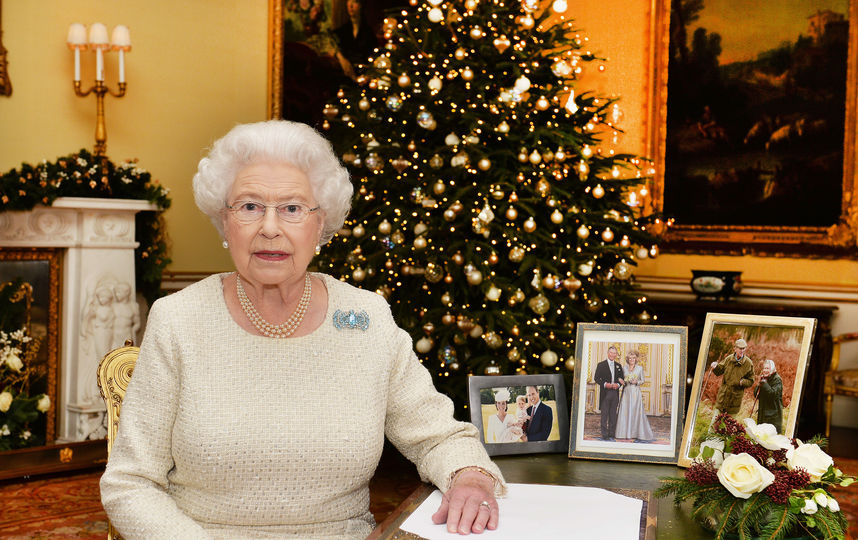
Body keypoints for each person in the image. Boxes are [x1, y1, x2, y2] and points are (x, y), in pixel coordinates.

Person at [100, 120, 505, 539]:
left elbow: (438, 436)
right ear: (225, 221)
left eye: (292, 208)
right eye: (250, 207)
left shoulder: (365, 318)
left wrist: (470, 477)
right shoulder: (178, 319)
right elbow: (130, 483)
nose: (269, 227)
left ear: (320, 224)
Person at [709, 338, 755, 431]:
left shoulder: (748, 363)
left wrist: (742, 382)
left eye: (744, 348)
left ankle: (725, 440)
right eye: (740, 348)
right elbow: (719, 371)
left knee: (729, 427)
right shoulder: (728, 359)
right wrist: (715, 366)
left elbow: (751, 380)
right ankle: (710, 438)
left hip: (735, 399)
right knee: (715, 423)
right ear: (735, 348)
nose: (742, 350)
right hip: (723, 397)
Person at [614, 350, 654, 442]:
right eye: (630, 358)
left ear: (636, 359)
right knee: (625, 411)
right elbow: (620, 378)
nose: (632, 360)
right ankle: (623, 433)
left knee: (635, 412)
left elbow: (642, 380)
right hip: (626, 392)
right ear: (627, 359)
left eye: (633, 358)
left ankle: (635, 433)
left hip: (635, 392)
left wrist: (637, 382)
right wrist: (621, 380)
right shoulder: (624, 368)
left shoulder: (640, 368)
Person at [593, 346, 625, 440]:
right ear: (608, 353)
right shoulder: (601, 365)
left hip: (615, 393)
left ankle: (611, 433)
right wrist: (605, 384)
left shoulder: (618, 366)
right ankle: (604, 434)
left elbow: (621, 379)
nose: (612, 354)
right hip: (605, 393)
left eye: (614, 353)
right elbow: (596, 378)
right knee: (604, 414)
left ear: (616, 355)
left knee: (613, 414)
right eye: (611, 352)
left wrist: (618, 385)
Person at [755, 359, 783, 433]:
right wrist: (759, 384)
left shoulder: (777, 379)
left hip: (773, 415)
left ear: (772, 369)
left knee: (770, 436)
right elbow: (756, 395)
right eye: (764, 368)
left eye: (767, 368)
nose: (765, 370)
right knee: (760, 435)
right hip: (762, 413)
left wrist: (765, 384)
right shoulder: (764, 378)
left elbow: (772, 394)